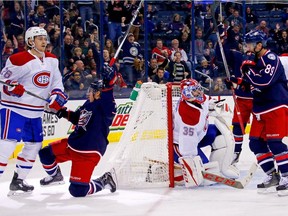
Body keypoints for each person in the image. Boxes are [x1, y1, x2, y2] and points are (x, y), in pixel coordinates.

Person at [0, 26, 68, 196]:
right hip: (14, 109)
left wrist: (57, 95)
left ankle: (18, 180)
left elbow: (57, 83)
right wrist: (11, 88)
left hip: (35, 112)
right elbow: (3, 82)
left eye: (45, 38)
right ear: (30, 41)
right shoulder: (19, 59)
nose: (44, 41)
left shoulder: (52, 60)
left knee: (34, 145)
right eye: (40, 38)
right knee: (7, 146)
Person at [38, 64, 118, 197]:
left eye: (91, 90)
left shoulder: (105, 106)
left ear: (98, 93)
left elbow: (109, 102)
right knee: (45, 154)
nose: (89, 93)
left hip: (87, 153)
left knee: (77, 191)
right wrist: (60, 111)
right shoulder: (88, 104)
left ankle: (104, 181)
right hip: (72, 145)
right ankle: (55, 176)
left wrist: (109, 85)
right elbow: (77, 118)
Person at [229, 30, 288, 196]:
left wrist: (248, 71)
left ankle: (287, 175)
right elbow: (251, 84)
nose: (247, 47)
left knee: (275, 143)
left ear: (259, 45)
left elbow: (264, 82)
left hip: (275, 106)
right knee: (255, 143)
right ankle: (273, 176)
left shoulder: (270, 58)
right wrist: (237, 82)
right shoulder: (255, 60)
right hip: (260, 109)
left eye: (250, 44)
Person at [172, 79, 239, 187]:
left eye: (198, 89)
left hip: (198, 136)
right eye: (195, 90)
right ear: (187, 93)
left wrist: (214, 104)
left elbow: (207, 100)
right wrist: (194, 165)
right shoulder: (188, 116)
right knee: (205, 175)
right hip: (180, 145)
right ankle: (176, 173)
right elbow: (187, 146)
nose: (199, 92)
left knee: (219, 133)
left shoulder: (196, 99)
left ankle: (223, 165)